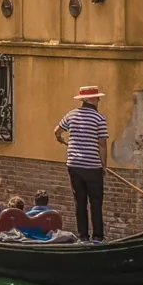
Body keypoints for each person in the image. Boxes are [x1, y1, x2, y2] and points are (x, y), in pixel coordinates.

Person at [55, 85, 109, 243]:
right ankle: (98, 237)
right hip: (92, 167)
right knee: (96, 202)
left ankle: (83, 237)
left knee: (80, 202)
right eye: (96, 97)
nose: (98, 99)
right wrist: (104, 165)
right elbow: (102, 144)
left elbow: (56, 131)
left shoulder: (71, 115)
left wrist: (59, 138)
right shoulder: (99, 118)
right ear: (87, 99)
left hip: (74, 165)